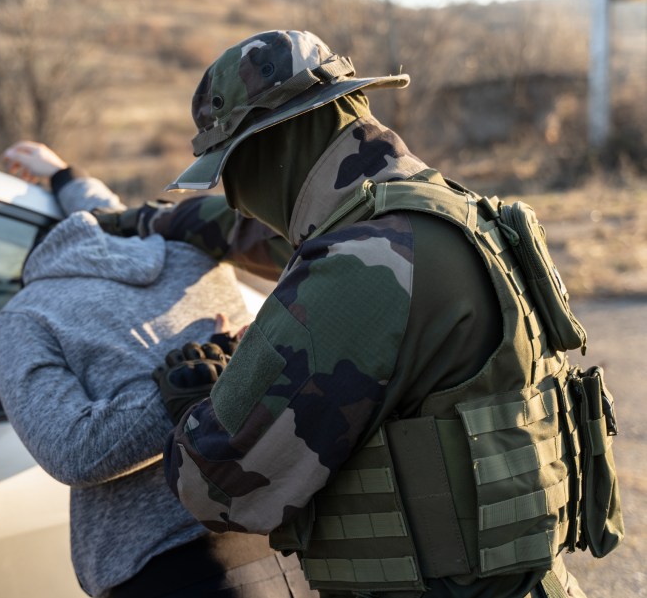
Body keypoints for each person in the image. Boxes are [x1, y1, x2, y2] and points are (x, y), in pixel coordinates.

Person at [106, 30, 610, 598]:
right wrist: (137, 220)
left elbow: (219, 488)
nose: (237, 197)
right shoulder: (447, 212)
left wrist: (192, 401)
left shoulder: (359, 265)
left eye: (233, 173)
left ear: (271, 149)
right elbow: (253, 232)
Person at [0, 140, 318, 598]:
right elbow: (111, 218)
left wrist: (182, 387)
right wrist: (65, 174)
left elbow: (73, 452)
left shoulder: (26, 317)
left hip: (164, 565)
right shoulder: (190, 255)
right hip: (287, 534)